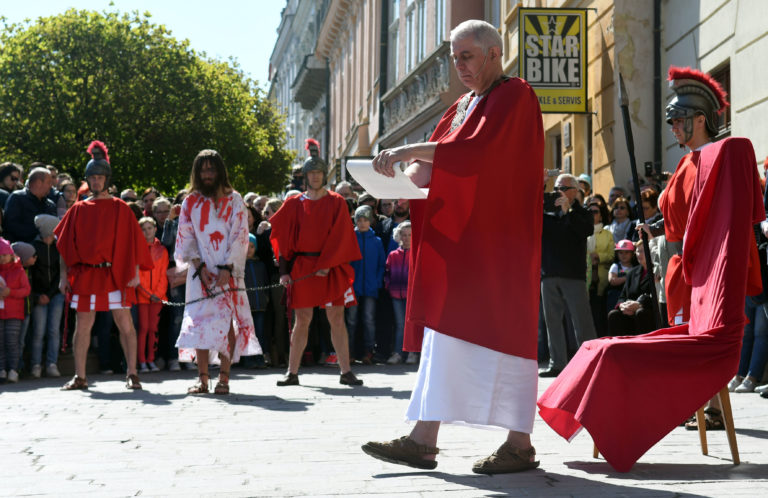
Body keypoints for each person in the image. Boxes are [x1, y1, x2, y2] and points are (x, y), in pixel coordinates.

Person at [537, 65, 764, 472]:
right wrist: (655, 224)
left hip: (704, 283)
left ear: (700, 119)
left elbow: (718, 194)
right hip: (684, 275)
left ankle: (625, 425)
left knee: (610, 352)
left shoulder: (721, 156)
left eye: (678, 121)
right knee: (597, 345)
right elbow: (678, 215)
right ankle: (595, 422)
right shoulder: (687, 166)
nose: (673, 128)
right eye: (671, 121)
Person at [362, 20, 544, 474]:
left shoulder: (515, 95)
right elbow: (431, 172)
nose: (458, 65)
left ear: (494, 54)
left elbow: (475, 153)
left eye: (467, 56)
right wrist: (390, 179)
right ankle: (423, 439)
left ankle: (519, 444)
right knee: (444, 340)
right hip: (463, 248)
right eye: (453, 56)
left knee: (503, 336)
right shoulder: (461, 105)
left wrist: (409, 152)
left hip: (499, 246)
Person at [55, 141, 153, 391]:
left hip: (115, 274)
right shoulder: (77, 209)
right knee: (83, 325)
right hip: (86, 275)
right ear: (87, 180)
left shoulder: (121, 208)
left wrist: (134, 274)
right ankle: (80, 376)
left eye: (100, 177)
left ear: (107, 179)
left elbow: (133, 244)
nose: (96, 181)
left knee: (125, 323)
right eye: (92, 177)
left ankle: (132, 373)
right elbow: (65, 247)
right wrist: (64, 277)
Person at [269, 138, 363, 386]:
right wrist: (284, 270)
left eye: (320, 172)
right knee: (302, 321)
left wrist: (328, 263)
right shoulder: (293, 204)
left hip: (330, 268)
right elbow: (283, 237)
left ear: (325, 175)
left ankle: (345, 371)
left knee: (336, 318)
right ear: (305, 177)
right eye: (312, 173)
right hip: (304, 268)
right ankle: (292, 372)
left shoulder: (336, 202)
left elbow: (341, 235)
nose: (316, 177)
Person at [175, 149, 260, 394]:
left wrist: (227, 267)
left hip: (228, 271)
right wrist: (199, 266)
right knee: (199, 323)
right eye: (202, 170)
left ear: (220, 170)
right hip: (199, 273)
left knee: (227, 322)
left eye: (211, 169)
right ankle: (202, 380)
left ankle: (224, 378)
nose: (207, 174)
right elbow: (186, 236)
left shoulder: (234, 200)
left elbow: (240, 236)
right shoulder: (190, 202)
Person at [539, 173, 597, 377]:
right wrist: (540, 182)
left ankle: (590, 361)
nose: (559, 192)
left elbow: (585, 230)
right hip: (549, 273)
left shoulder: (582, 212)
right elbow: (527, 206)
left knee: (581, 322)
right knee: (552, 321)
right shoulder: (546, 212)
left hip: (573, 275)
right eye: (556, 188)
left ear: (575, 191)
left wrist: (568, 211)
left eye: (564, 188)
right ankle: (557, 363)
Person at [347, 205, 385, 363]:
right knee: (351, 320)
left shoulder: (377, 241)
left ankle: (369, 351)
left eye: (365, 220)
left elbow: (382, 264)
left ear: (371, 221)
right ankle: (348, 352)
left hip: (370, 287)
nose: (362, 223)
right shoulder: (350, 239)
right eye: (359, 220)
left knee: (369, 319)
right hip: (353, 287)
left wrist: (377, 281)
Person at [29, 214, 64, 378]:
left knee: (53, 330)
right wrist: (38, 296)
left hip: (55, 294)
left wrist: (50, 294)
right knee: (38, 330)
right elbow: (31, 275)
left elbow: (60, 273)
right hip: (38, 295)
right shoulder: (33, 247)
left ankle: (52, 363)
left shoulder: (59, 247)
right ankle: (36, 365)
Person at [136, 217, 168, 373]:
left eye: (149, 228)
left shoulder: (162, 250)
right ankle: (142, 361)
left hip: (157, 297)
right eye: (143, 229)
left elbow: (163, 275)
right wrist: (148, 294)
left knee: (153, 329)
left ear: (155, 229)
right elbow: (138, 277)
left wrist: (158, 294)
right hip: (142, 297)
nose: (147, 232)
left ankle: (151, 359)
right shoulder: (136, 249)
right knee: (143, 328)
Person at [606, 240, 656, 336]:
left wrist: (640, 304)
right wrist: (622, 306)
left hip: (647, 310)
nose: (639, 254)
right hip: (629, 311)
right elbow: (623, 295)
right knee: (613, 314)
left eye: (642, 251)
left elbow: (657, 296)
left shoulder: (657, 271)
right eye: (637, 251)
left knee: (641, 312)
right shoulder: (633, 272)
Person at [0, 237, 30, 383]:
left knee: (12, 342)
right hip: (0, 312)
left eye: (4, 255)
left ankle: (13, 369)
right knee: (0, 342)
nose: (2, 258)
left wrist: (9, 292)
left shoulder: (19, 271)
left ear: (11, 255)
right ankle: (2, 370)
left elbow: (26, 290)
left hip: (14, 313)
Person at [384, 221, 414, 365]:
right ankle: (398, 353)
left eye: (410, 234)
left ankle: (413, 352)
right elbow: (387, 273)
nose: (407, 237)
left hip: (412, 296)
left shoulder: (417, 253)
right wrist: (389, 286)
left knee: (412, 324)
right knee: (400, 324)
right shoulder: (393, 255)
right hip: (396, 295)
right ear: (399, 235)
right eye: (404, 234)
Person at [3, 167, 57, 243]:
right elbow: (11, 226)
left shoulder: (50, 205)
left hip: (47, 251)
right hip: (22, 249)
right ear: (38, 182)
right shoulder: (17, 198)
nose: (51, 186)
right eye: (49, 182)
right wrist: (38, 235)